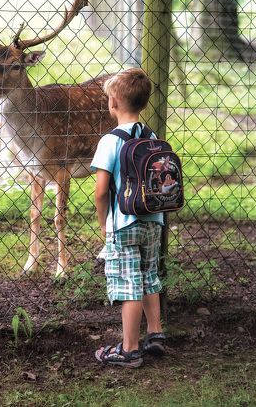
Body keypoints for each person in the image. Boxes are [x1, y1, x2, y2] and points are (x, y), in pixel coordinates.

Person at [91, 68, 166, 368]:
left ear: (113, 102)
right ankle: (156, 334)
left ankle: (130, 348)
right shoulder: (152, 136)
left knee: (128, 284)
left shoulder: (110, 141)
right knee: (150, 276)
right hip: (153, 221)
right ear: (143, 103)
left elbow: (100, 192)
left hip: (123, 224)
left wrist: (104, 225)